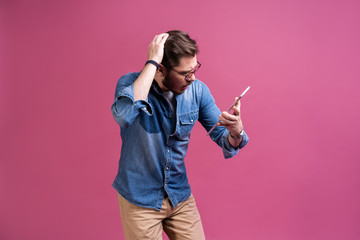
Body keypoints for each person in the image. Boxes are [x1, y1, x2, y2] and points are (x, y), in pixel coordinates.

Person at [111, 30, 249, 240]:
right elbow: (125, 115)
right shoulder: (130, 83)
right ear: (162, 70)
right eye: (185, 73)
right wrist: (152, 62)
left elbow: (224, 137)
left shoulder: (198, 91)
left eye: (195, 69)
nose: (192, 78)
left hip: (179, 196)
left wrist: (236, 131)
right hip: (140, 200)